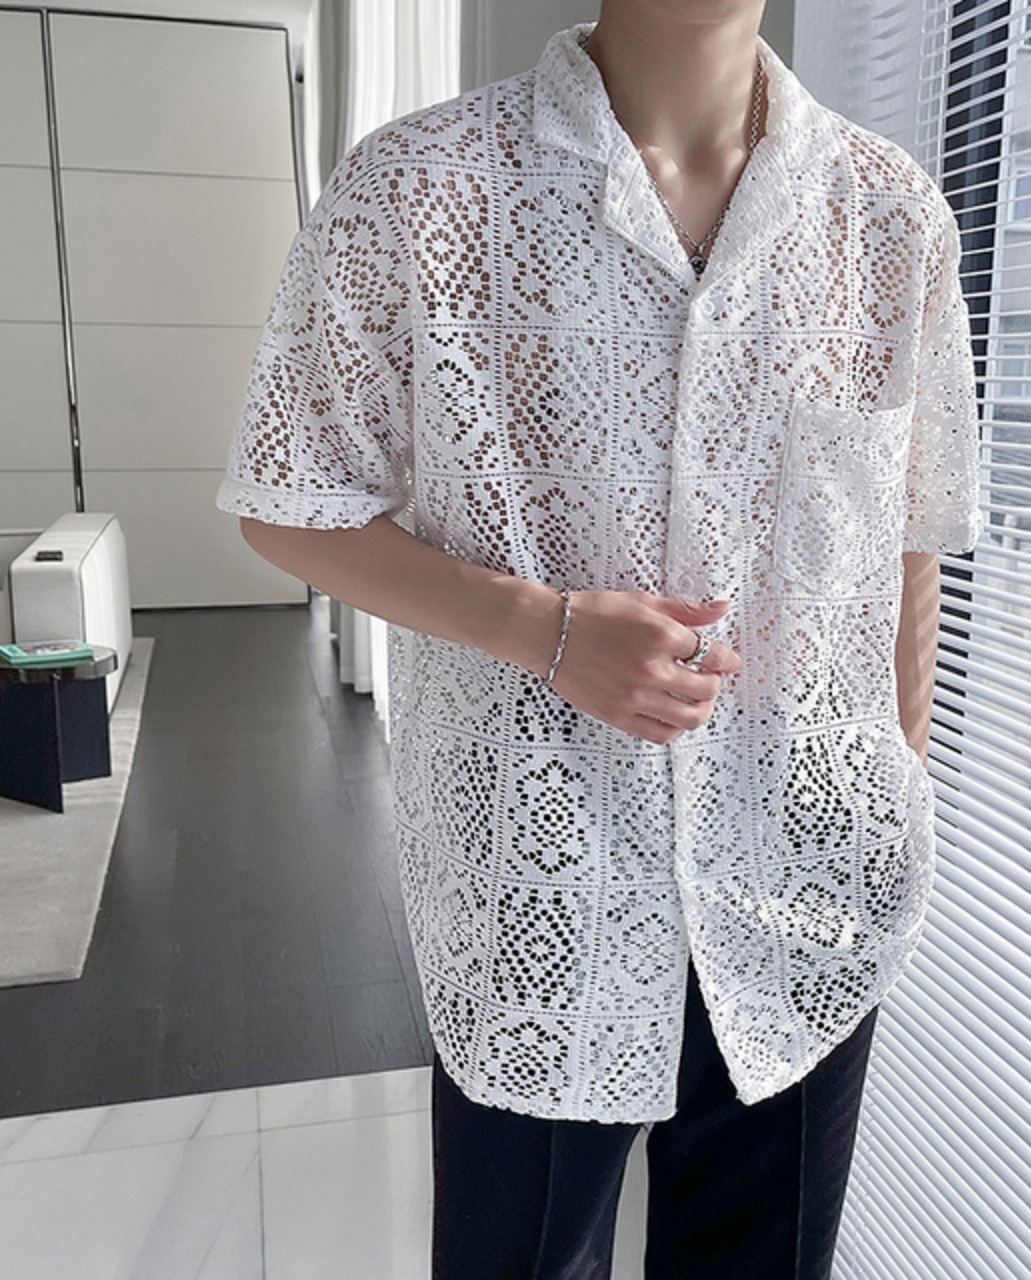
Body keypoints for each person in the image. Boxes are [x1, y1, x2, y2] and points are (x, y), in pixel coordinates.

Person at [217, 1, 982, 1275]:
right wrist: (545, 629)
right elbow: (290, 503)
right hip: (538, 884)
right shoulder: (420, 188)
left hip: (805, 889)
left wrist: (893, 795)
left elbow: (910, 537)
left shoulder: (888, 213)